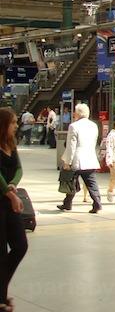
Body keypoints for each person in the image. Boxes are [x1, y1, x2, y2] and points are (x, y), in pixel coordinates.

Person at [0, 108, 27, 312]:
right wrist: (9, 192)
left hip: (10, 201)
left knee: (20, 246)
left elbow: (18, 169)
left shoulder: (11, 145)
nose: (16, 126)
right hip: (3, 202)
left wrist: (12, 186)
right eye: (13, 122)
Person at [58, 103, 102, 213]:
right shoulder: (94, 125)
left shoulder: (74, 126)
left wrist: (67, 162)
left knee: (71, 181)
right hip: (90, 157)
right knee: (91, 183)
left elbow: (71, 146)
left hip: (77, 159)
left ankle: (67, 204)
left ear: (77, 113)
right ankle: (97, 203)